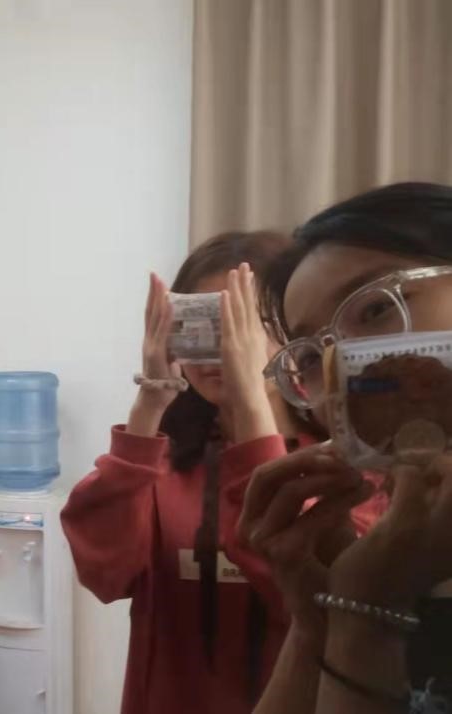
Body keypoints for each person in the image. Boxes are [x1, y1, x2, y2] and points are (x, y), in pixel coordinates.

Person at [60, 231, 358, 714]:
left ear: (293, 336)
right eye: (198, 322)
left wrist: (251, 402)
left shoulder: (345, 460)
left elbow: (325, 603)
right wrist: (151, 401)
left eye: (241, 323)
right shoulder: (161, 462)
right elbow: (105, 575)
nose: (222, 347)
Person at [242, 182, 452, 714]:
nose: (346, 366)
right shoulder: (389, 553)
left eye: (377, 308)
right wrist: (318, 623)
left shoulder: (381, 577)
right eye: (312, 357)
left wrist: (364, 615)